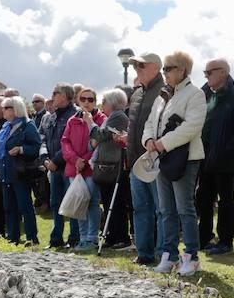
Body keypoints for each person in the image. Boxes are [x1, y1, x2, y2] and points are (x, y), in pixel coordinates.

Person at [145, 51, 206, 275]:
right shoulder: (162, 97)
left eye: (168, 68)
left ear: (182, 70)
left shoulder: (195, 94)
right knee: (166, 210)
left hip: (186, 158)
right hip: (163, 157)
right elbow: (150, 123)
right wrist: (149, 140)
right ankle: (169, 256)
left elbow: (192, 127)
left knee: (184, 208)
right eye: (164, 69)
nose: (164, 72)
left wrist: (161, 143)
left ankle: (191, 256)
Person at [195, 59, 234, 257]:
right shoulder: (205, 95)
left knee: (226, 198)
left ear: (223, 73)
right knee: (204, 197)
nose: (206, 75)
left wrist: (226, 150)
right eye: (205, 72)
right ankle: (204, 237)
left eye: (209, 72)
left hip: (223, 157)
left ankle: (226, 240)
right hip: (204, 155)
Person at [126, 53, 167, 266]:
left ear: (155, 67)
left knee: (162, 209)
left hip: (157, 160)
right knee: (140, 208)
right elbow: (132, 127)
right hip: (136, 160)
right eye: (134, 66)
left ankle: (163, 254)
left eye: (141, 65)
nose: (136, 69)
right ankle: (144, 254)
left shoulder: (166, 91)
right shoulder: (137, 94)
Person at [0, 96, 41, 245]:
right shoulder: (5, 127)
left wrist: (21, 149)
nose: (3, 110)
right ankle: (13, 237)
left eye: (7, 107)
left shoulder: (28, 125)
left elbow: (36, 146)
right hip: (5, 172)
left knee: (25, 205)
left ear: (16, 109)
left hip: (20, 172)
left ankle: (31, 238)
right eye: (4, 107)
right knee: (9, 207)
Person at [61, 87, 105, 250]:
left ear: (95, 101)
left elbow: (98, 144)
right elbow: (65, 141)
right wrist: (75, 159)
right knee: (79, 202)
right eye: (83, 99)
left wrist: (84, 160)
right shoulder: (72, 120)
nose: (87, 102)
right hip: (75, 167)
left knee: (92, 202)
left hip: (91, 168)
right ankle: (82, 237)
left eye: (91, 99)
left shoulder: (100, 119)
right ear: (78, 101)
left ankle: (92, 238)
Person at [91, 88, 133, 249]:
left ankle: (122, 237)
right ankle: (112, 236)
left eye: (104, 101)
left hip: (115, 165)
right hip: (107, 165)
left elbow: (100, 136)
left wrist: (91, 124)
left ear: (113, 103)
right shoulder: (111, 117)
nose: (102, 105)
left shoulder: (118, 116)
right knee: (109, 201)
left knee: (117, 203)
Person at [41, 84, 81, 250]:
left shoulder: (76, 114)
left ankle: (74, 238)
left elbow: (71, 142)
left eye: (55, 93)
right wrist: (44, 158)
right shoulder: (50, 117)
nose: (52, 97)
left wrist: (55, 161)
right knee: (55, 203)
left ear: (65, 96)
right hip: (52, 167)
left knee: (72, 204)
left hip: (68, 166)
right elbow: (41, 137)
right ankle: (56, 239)